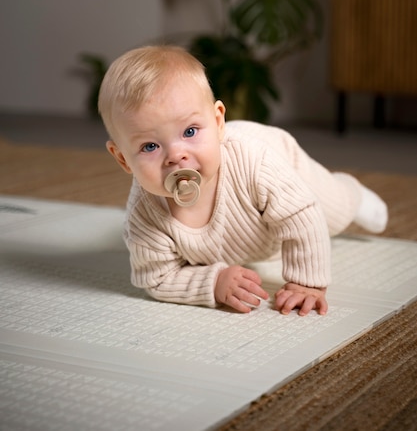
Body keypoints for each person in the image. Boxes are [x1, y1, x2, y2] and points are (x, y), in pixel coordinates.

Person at [98, 45, 388, 316]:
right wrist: (213, 282)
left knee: (332, 213)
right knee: (274, 242)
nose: (176, 157)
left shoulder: (254, 161)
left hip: (284, 166)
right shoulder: (144, 214)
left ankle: (354, 193)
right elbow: (158, 278)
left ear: (218, 122)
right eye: (150, 146)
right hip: (253, 233)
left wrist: (306, 283)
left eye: (189, 132)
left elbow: (301, 215)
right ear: (123, 158)